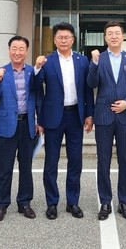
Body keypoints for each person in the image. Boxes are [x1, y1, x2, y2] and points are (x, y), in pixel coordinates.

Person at [34, 21, 95, 220]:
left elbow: (88, 90)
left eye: (67, 37)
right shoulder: (47, 61)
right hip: (53, 117)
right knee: (51, 161)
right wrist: (37, 68)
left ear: (73, 39)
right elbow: (36, 87)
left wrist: (89, 114)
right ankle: (52, 203)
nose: (63, 40)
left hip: (75, 115)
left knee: (75, 161)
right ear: (54, 40)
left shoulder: (82, 60)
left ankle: (72, 202)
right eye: (60, 37)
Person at [87, 21, 126, 221]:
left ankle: (124, 202)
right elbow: (91, 83)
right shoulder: (99, 58)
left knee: (125, 160)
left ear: (123, 36)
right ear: (105, 38)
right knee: (103, 161)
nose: (113, 36)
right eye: (110, 33)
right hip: (103, 115)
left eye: (117, 33)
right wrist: (94, 64)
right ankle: (105, 201)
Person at [0, 36, 40, 222]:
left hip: (27, 124)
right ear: (9, 50)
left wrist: (39, 121)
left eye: (21, 49)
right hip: (6, 126)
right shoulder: (0, 71)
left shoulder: (33, 72)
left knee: (26, 166)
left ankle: (24, 203)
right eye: (14, 48)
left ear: (26, 51)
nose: (17, 52)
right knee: (4, 168)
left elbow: (39, 97)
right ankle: (1, 204)